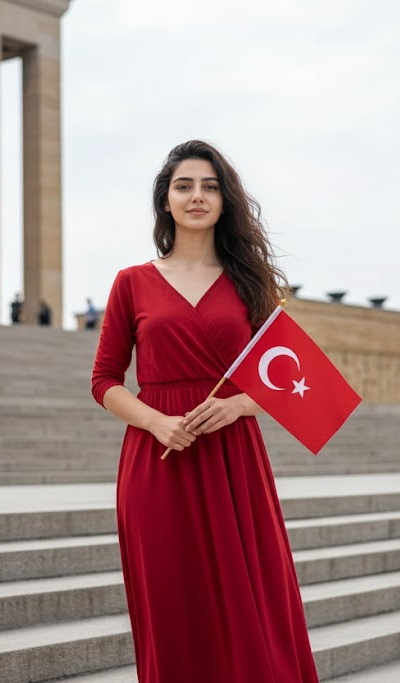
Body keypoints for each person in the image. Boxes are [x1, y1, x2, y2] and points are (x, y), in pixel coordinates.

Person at [91, 140, 318, 682]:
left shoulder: (250, 283)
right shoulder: (131, 282)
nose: (197, 196)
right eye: (184, 186)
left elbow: (290, 380)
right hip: (157, 461)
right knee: (173, 605)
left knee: (252, 606)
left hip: (233, 459)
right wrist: (156, 421)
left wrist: (238, 404)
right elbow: (103, 382)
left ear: (224, 201)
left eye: (210, 187)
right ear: (165, 201)